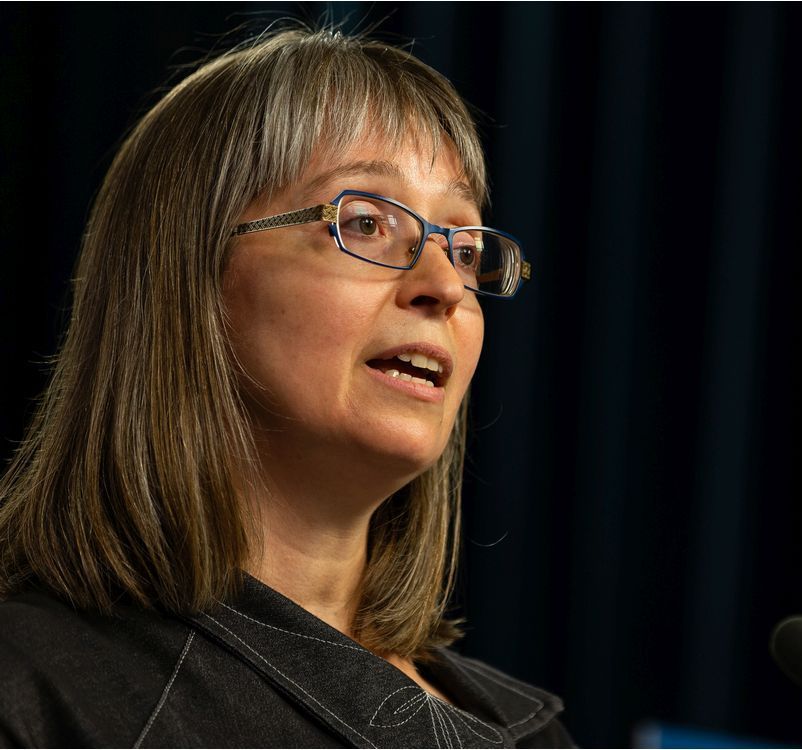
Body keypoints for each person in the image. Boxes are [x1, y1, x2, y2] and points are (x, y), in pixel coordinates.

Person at [0, 26, 570, 748]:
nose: (444, 288)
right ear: (190, 274)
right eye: (367, 222)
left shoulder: (532, 734)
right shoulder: (32, 697)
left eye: (463, 246)